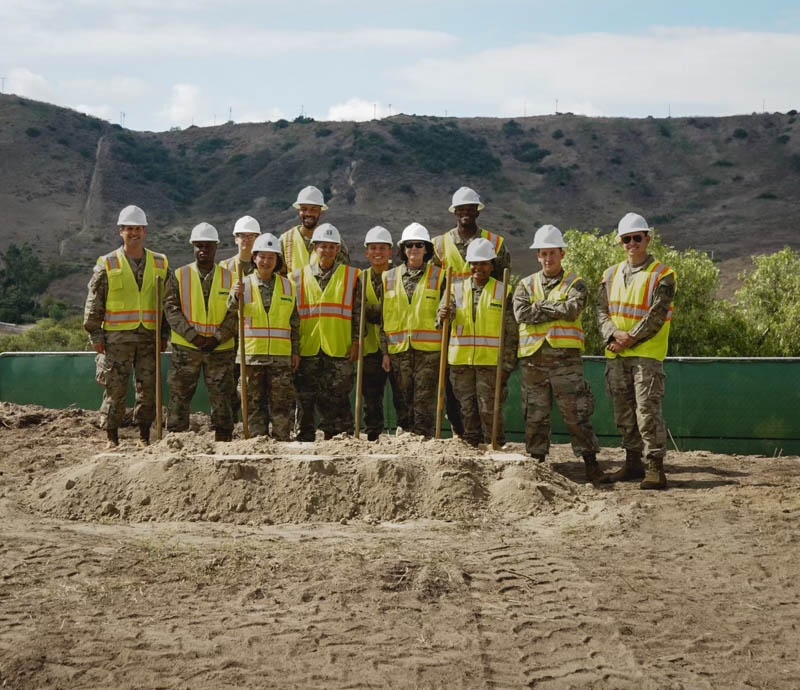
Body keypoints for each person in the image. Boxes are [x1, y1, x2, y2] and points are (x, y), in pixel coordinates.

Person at [513, 225, 607, 482]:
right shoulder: (525, 284)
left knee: (577, 414)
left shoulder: (576, 284)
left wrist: (540, 306)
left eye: (552, 253)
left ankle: (591, 465)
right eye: (543, 254)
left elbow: (572, 310)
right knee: (535, 415)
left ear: (562, 254)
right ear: (537, 256)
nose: (547, 258)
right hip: (533, 361)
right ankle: (537, 464)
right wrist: (555, 307)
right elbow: (522, 314)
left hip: (566, 363)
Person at [597, 212, 677, 490]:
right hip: (617, 354)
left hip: (646, 355)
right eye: (626, 239)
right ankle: (632, 462)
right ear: (620, 242)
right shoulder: (609, 274)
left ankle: (655, 467)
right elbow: (601, 311)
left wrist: (627, 339)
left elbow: (656, 316)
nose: (632, 243)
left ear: (647, 239)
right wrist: (612, 334)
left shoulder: (663, 275)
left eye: (637, 238)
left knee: (647, 410)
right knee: (623, 411)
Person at [83, 204, 170, 448]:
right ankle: (112, 436)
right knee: (115, 389)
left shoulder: (161, 263)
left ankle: (144, 435)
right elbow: (94, 302)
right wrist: (96, 336)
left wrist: (164, 334)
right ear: (121, 231)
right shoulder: (108, 263)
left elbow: (168, 303)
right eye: (129, 229)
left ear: (145, 232)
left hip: (148, 339)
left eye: (139, 229)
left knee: (148, 390)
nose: (134, 233)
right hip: (117, 339)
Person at [431, 186, 511, 437]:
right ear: (454, 212)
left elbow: (502, 287)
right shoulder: (439, 245)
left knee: (489, 407)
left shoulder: (496, 244)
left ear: (478, 211)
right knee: (461, 404)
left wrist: (507, 359)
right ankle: (465, 439)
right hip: (458, 343)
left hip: (489, 345)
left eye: (470, 208)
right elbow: (435, 287)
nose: (466, 212)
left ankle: (492, 444)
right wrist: (442, 314)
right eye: (461, 209)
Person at [438, 238, 517, 447]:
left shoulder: (503, 291)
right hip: (461, 363)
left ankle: (495, 447)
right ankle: (472, 448)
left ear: (491, 265)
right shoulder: (455, 289)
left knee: (489, 409)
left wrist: (507, 364)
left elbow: (511, 333)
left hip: (490, 363)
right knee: (467, 409)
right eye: (474, 263)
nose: (478, 268)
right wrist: (444, 314)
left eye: (483, 263)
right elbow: (442, 317)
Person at [164, 222, 237, 441]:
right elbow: (171, 309)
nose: (203, 249)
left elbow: (236, 313)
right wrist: (192, 336)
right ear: (193, 247)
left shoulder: (231, 278)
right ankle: (176, 439)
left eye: (208, 245)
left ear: (216, 247)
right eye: (199, 245)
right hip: (187, 348)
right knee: (179, 394)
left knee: (223, 396)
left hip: (220, 349)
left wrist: (218, 337)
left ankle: (224, 440)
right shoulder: (179, 275)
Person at [292, 223, 360, 441]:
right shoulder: (297, 278)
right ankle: (305, 436)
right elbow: (292, 318)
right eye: (323, 246)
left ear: (338, 250)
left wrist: (357, 341)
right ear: (315, 248)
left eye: (332, 247)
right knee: (305, 397)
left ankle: (339, 437)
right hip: (308, 347)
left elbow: (358, 313)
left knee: (338, 396)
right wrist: (294, 348)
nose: (327, 251)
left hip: (339, 347)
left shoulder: (352, 276)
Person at [233, 232, 300, 440]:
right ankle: (256, 442)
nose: (266, 261)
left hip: (280, 358)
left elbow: (295, 322)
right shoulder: (243, 285)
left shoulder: (288, 286)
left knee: (281, 404)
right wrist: (235, 295)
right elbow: (231, 309)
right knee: (253, 403)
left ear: (277, 261)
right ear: (254, 258)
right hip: (252, 356)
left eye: (271, 258)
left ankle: (282, 442)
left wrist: (295, 352)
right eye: (262, 257)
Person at [381, 223, 445, 438]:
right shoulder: (388, 278)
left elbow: (446, 311)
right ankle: (405, 436)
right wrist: (385, 352)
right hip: (399, 350)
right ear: (403, 249)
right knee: (402, 396)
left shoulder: (441, 277)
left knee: (424, 397)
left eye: (419, 245)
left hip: (429, 351)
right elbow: (384, 318)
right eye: (409, 245)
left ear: (426, 249)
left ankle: (423, 438)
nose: (414, 249)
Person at [357, 226, 405, 441]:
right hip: (369, 348)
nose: (378, 252)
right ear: (367, 252)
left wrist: (375, 312)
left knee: (401, 395)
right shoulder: (359, 278)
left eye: (383, 248)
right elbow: (358, 310)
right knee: (371, 397)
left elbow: (397, 310)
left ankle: (405, 434)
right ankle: (373, 436)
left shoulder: (400, 277)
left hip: (396, 345)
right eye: (373, 248)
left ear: (391, 252)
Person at [219, 214, 261, 421]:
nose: (246, 240)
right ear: (235, 238)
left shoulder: (265, 265)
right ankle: (229, 425)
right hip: (229, 335)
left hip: (255, 336)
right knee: (227, 384)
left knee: (251, 386)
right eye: (242, 236)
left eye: (251, 236)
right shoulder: (224, 267)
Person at [279, 186, 350, 273]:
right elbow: (279, 277)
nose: (308, 213)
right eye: (304, 209)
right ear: (298, 210)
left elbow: (343, 274)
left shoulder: (333, 240)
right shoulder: (285, 240)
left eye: (313, 209)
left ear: (321, 211)